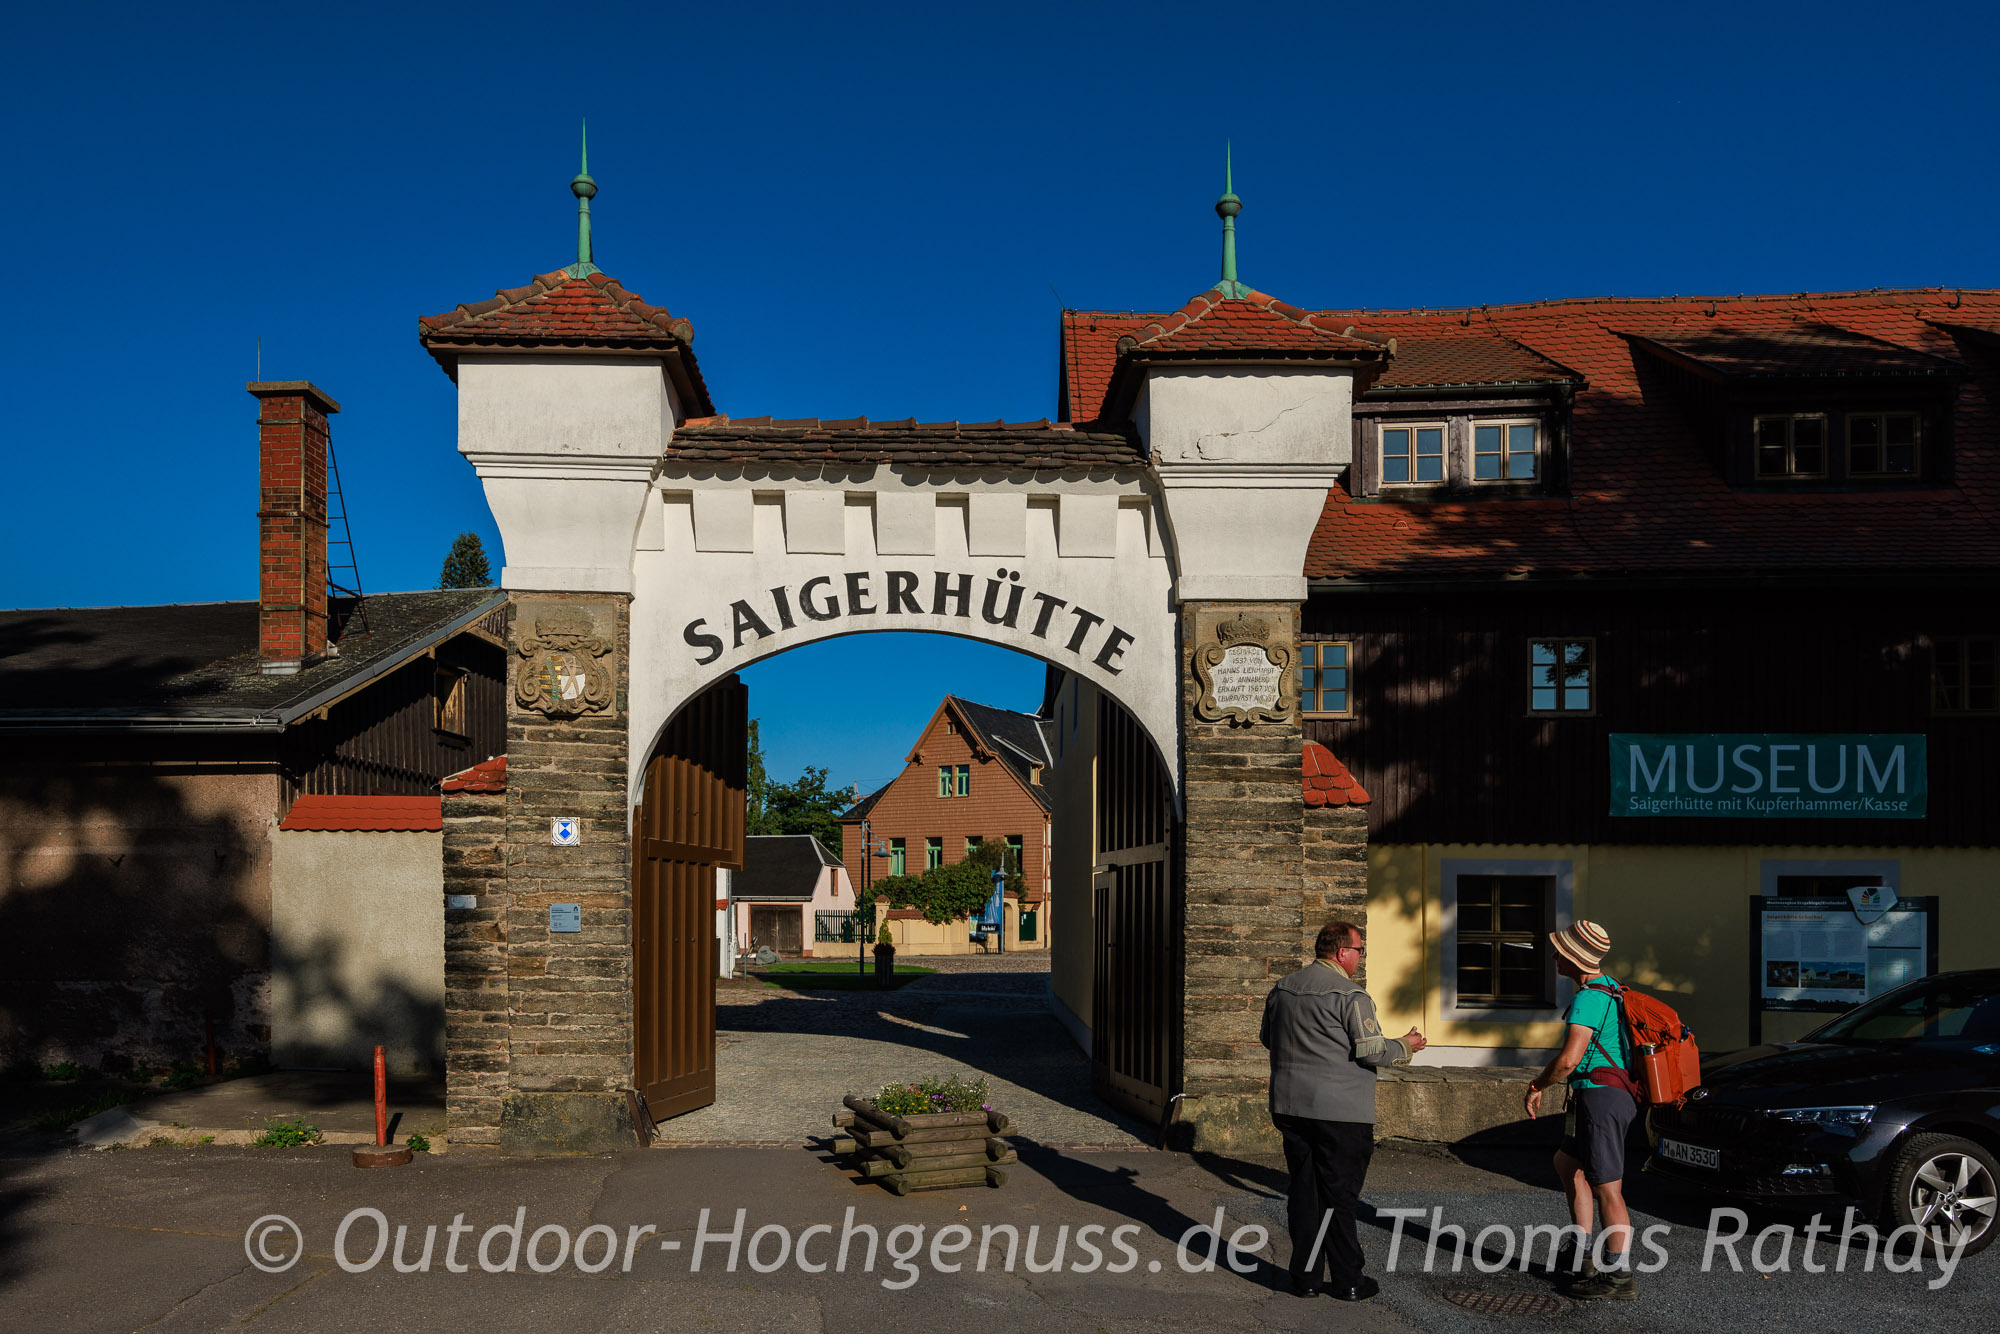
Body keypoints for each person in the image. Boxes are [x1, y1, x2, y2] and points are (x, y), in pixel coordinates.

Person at [1261, 921, 1426, 1302]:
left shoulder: (1283, 988)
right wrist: (1406, 1044)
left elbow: (1268, 1038)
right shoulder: (1351, 995)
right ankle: (1349, 1279)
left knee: (1305, 1192)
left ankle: (1305, 1279)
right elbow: (1370, 1050)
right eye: (1360, 950)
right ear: (1342, 953)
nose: (1360, 957)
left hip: (1290, 1105)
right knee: (1341, 1195)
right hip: (1341, 1112)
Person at [1524, 919, 1638, 1302]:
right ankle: (1581, 1253)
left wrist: (1538, 1085)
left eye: (1561, 950)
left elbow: (1570, 1059)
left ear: (1575, 957)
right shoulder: (1610, 990)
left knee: (1608, 1187)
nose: (1555, 956)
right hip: (1598, 1096)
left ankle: (1619, 1275)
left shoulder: (1591, 997)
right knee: (1566, 1164)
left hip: (1601, 1099)